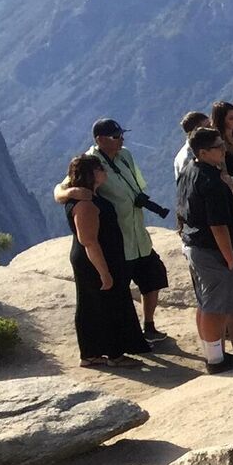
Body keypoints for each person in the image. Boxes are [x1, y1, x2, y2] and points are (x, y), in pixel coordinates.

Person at [55, 119, 171, 343]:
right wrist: (73, 193)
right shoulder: (90, 163)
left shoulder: (125, 155)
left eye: (121, 135)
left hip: (138, 233)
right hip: (118, 239)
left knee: (154, 278)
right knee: (119, 291)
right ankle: (126, 338)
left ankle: (149, 326)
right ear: (99, 139)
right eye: (115, 136)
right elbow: (59, 190)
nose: (121, 140)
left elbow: (137, 185)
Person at [63, 155, 151, 368]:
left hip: (98, 257)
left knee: (94, 304)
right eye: (100, 169)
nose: (104, 171)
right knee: (105, 305)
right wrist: (104, 272)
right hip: (95, 260)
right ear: (91, 174)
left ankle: (93, 353)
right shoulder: (85, 204)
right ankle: (112, 354)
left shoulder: (82, 196)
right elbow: (90, 241)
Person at [181, 127, 233, 372]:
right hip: (213, 250)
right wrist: (230, 258)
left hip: (195, 245)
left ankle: (214, 354)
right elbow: (218, 225)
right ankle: (216, 361)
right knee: (215, 307)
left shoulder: (190, 170)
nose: (224, 150)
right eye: (218, 147)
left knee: (205, 302)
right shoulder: (211, 180)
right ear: (203, 152)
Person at [172, 111, 210, 233]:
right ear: (196, 129)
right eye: (208, 126)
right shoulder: (189, 156)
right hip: (198, 211)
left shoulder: (184, 154)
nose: (212, 128)